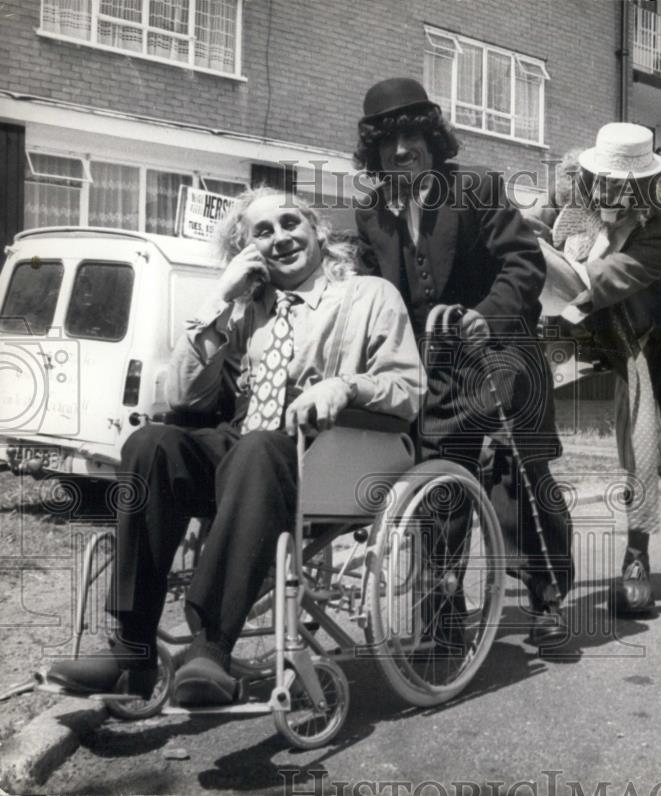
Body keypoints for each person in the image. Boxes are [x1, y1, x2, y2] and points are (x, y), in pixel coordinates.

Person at [47, 188, 423, 705]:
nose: (281, 238)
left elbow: (407, 390)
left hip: (331, 453)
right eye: (262, 233)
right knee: (150, 445)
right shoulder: (246, 312)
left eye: (291, 223)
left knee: (257, 448)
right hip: (250, 451)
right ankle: (130, 651)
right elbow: (182, 394)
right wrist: (219, 299)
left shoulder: (369, 295)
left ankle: (209, 648)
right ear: (248, 250)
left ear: (316, 230)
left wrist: (345, 385)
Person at [352, 77, 574, 646]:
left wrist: (486, 314)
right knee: (439, 487)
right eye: (387, 143)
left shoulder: (477, 187)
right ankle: (443, 615)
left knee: (518, 482)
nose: (401, 151)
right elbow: (375, 290)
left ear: (431, 137)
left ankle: (547, 602)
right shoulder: (372, 214)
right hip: (433, 369)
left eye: (411, 136)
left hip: (501, 354)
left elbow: (523, 264)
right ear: (374, 151)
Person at [536, 123, 661, 615]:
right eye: (603, 177)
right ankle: (535, 563)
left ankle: (637, 559)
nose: (611, 188)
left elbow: (589, 284)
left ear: (645, 185)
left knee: (645, 452)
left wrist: (531, 252)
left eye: (624, 181)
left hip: (644, 340)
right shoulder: (570, 199)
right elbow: (525, 231)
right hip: (572, 335)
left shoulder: (660, 234)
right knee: (521, 433)